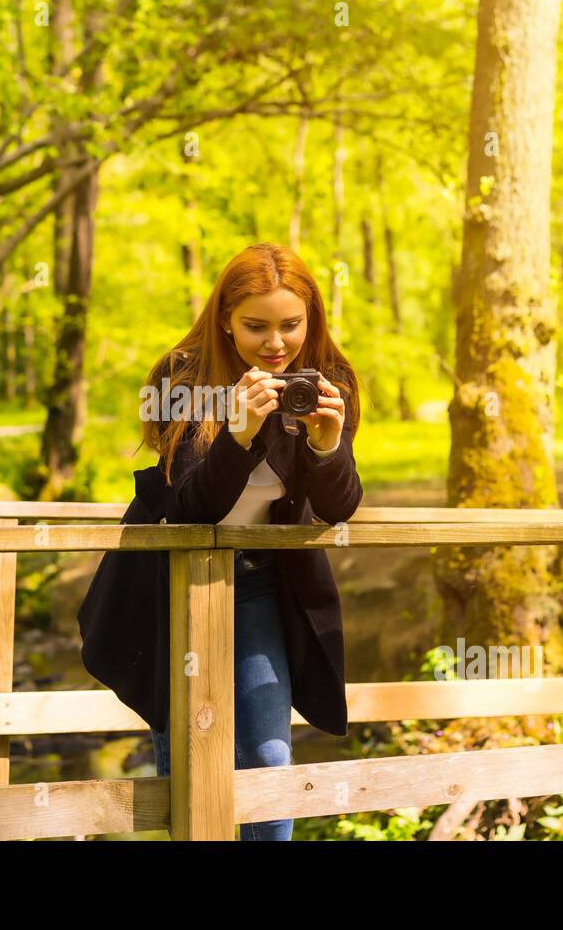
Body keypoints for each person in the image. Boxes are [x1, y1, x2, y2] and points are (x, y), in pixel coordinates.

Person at [137, 242, 363, 840]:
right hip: (174, 583)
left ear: (310, 319)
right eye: (255, 327)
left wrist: (326, 445)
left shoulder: (327, 381)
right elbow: (190, 508)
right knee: (185, 764)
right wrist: (236, 438)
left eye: (291, 325)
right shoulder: (180, 378)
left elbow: (338, 508)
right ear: (224, 321)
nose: (276, 344)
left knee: (267, 757)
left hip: (264, 581)